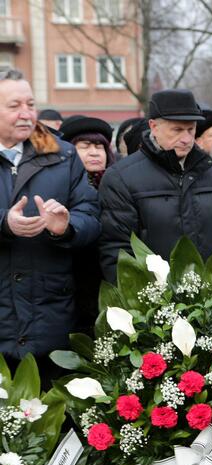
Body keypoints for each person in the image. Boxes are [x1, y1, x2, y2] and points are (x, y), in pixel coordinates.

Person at [0, 70, 100, 380]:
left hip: (51, 312)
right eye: (14, 105)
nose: (26, 114)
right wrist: (4, 223)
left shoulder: (62, 154)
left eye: (30, 104)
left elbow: (91, 215)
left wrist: (66, 227)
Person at [98, 89, 212, 282]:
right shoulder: (121, 177)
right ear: (154, 126)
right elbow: (117, 252)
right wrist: (149, 304)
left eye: (191, 130)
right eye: (177, 130)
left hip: (210, 302)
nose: (186, 139)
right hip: (153, 303)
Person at [58, 115, 116, 332]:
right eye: (85, 146)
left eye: (99, 146)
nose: (94, 152)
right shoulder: (61, 187)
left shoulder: (117, 185)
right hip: (71, 283)